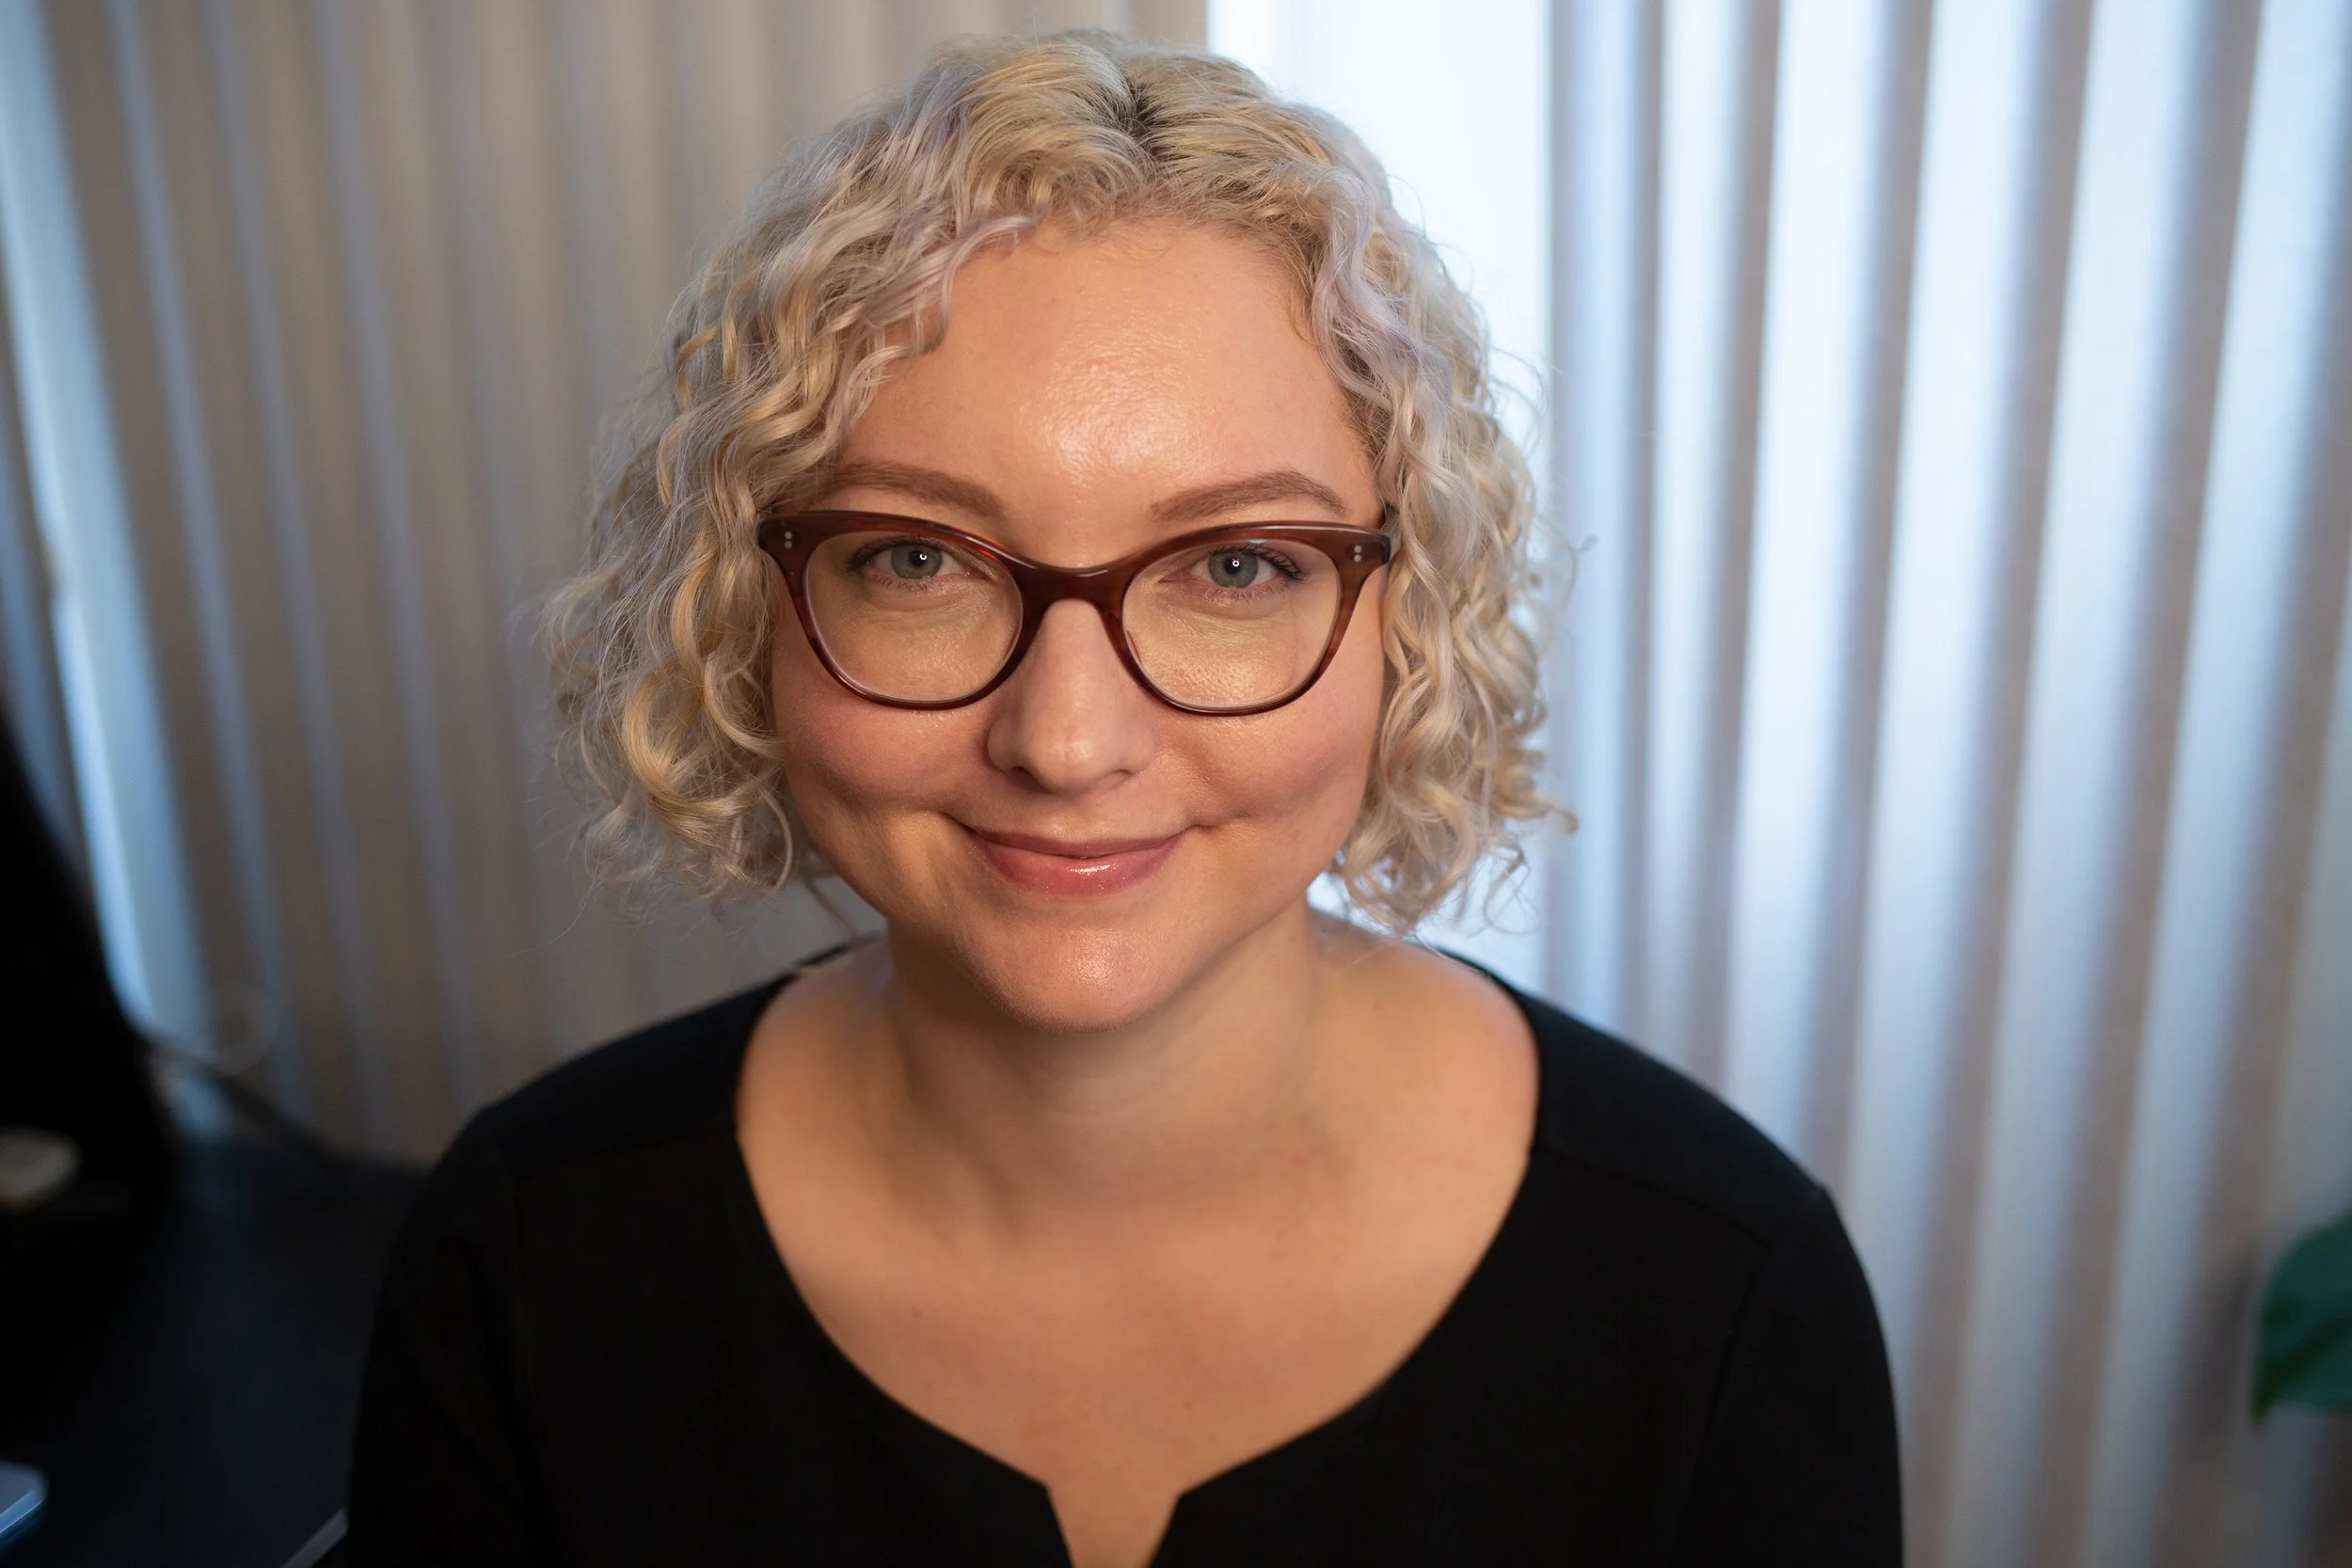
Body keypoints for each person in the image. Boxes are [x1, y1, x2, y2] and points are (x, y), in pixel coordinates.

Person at [346, 30, 1899, 1568]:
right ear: (747, 614)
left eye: (1239, 565)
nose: (1069, 740)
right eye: (917, 559)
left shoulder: (1720, 1288)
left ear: (1407, 621)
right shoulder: (530, 1257)